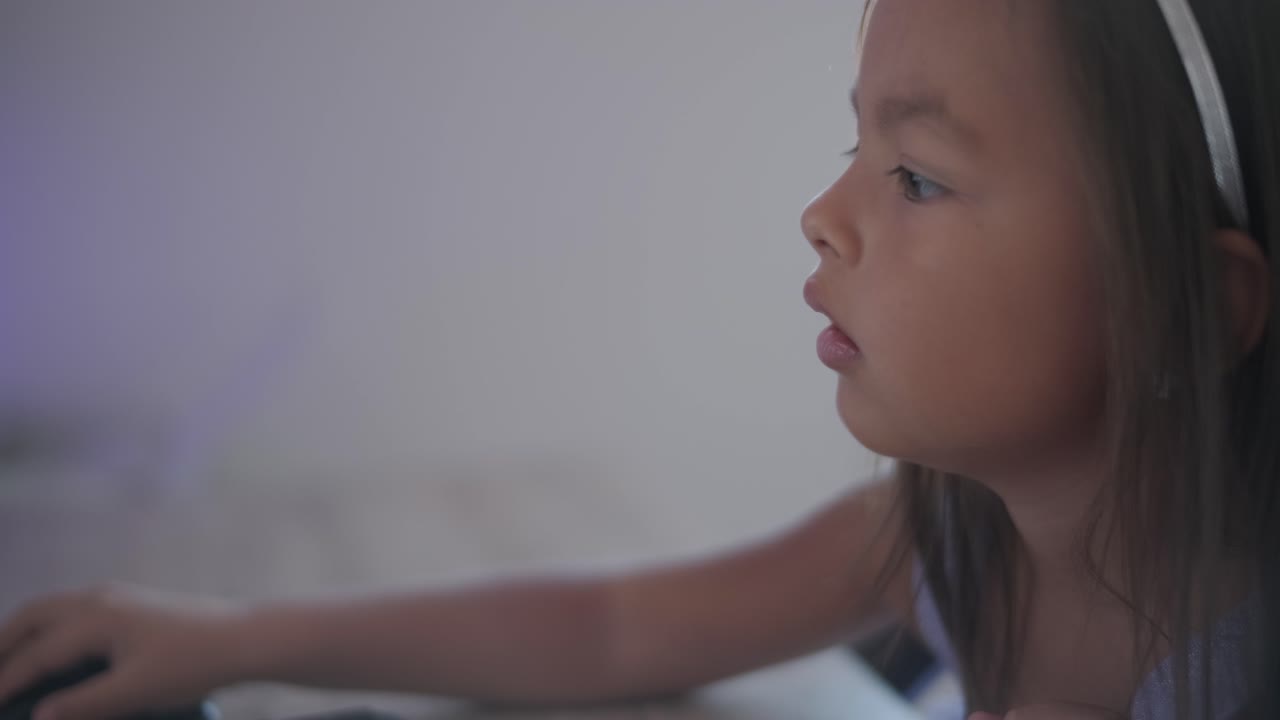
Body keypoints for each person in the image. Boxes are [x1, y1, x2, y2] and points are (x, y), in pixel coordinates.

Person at [2, 1, 1278, 718]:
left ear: (1181, 303)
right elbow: (616, 629)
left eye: (917, 176)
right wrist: (230, 640)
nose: (821, 213)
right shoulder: (934, 540)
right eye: (850, 148)